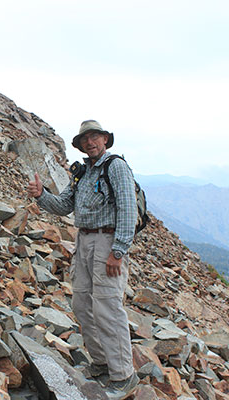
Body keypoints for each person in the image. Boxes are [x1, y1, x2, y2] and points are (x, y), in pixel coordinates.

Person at [27, 120, 139, 399]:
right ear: (80, 144)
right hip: (84, 240)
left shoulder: (116, 167)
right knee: (82, 303)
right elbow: (65, 206)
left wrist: (119, 250)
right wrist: (42, 195)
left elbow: (128, 208)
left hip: (107, 242)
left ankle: (124, 375)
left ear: (104, 139)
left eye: (95, 137)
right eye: (85, 138)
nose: (90, 142)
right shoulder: (82, 172)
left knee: (108, 308)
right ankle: (101, 363)